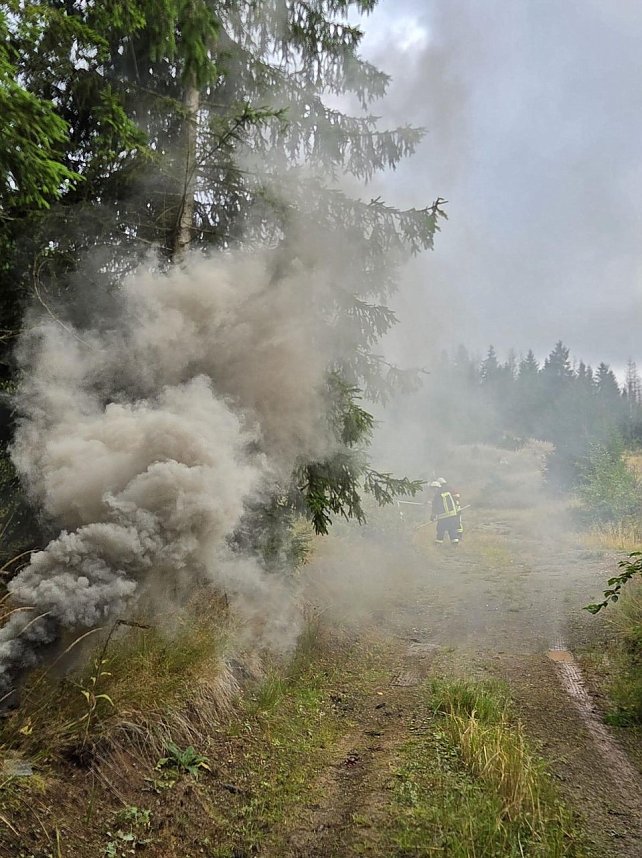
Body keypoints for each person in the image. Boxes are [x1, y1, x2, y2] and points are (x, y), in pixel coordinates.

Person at [430, 480, 460, 545]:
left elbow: (435, 507)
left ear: (437, 488)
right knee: (452, 529)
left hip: (443, 517)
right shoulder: (448, 493)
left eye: (434, 489)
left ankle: (438, 543)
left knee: (440, 529)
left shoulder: (437, 496)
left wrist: (433, 516)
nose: (433, 491)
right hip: (452, 515)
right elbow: (455, 501)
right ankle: (455, 544)